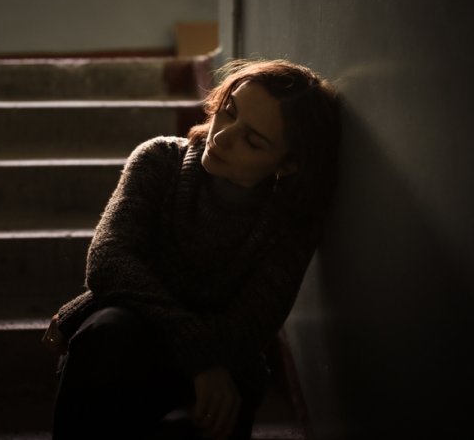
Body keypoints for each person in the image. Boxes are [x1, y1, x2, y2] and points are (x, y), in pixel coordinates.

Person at [42, 59, 342, 440]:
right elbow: (108, 261)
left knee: (215, 405)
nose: (222, 136)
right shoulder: (159, 159)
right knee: (106, 333)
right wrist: (200, 357)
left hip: (223, 364)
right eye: (228, 111)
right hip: (143, 348)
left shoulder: (292, 221)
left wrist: (94, 300)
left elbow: (249, 327)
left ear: (287, 164)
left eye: (252, 140)